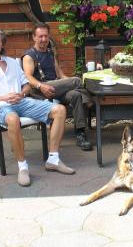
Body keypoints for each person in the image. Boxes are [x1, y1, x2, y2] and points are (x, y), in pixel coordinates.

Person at [0, 28, 75, 188]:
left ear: (2, 43)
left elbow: (26, 84)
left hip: (21, 102)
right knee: (13, 119)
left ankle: (53, 159)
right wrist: (3, 98)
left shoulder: (12, 62)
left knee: (59, 110)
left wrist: (22, 94)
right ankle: (22, 167)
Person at [22, 23, 94, 151]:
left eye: (46, 36)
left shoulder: (50, 53)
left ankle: (80, 134)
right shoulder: (29, 56)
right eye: (40, 36)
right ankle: (89, 98)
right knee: (77, 80)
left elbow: (61, 75)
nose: (44, 39)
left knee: (76, 95)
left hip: (56, 88)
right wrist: (41, 85)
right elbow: (27, 77)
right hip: (40, 90)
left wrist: (70, 84)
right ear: (34, 37)